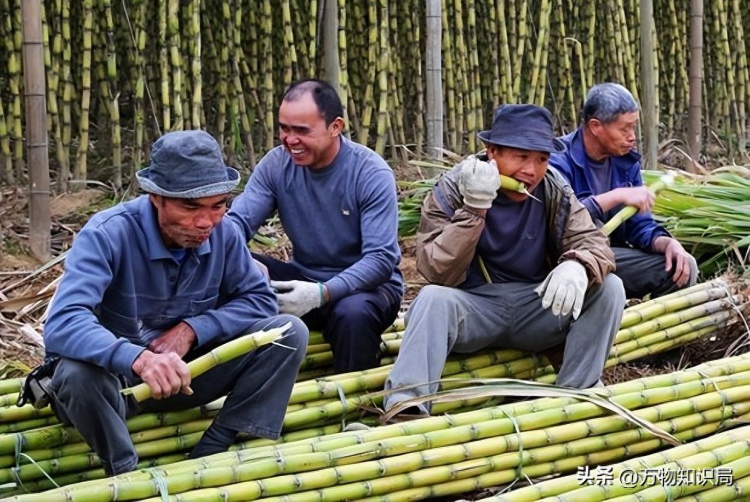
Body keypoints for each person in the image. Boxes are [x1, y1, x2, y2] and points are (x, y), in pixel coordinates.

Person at [43, 130, 309, 476]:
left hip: (189, 376)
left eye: (218, 206)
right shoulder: (108, 234)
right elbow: (63, 322)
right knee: (75, 374)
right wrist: (137, 358)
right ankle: (124, 472)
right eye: (190, 207)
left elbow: (259, 300)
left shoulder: (223, 232)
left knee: (288, 332)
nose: (205, 222)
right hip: (118, 389)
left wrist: (192, 330)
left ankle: (215, 447)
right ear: (156, 197)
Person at [383, 104, 625, 416]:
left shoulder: (553, 188)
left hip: (536, 305)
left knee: (610, 288)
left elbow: (593, 241)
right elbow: (435, 270)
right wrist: (474, 210)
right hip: (474, 308)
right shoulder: (452, 188)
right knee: (431, 300)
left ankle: (573, 396)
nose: (532, 170)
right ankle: (407, 407)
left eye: (541, 158)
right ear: (492, 151)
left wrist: (578, 263)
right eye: (521, 156)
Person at [229, 79, 403, 373]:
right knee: (227, 268)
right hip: (302, 279)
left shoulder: (370, 173)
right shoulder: (275, 165)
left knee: (353, 315)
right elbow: (235, 225)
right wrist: (239, 260)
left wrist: (321, 293)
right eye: (284, 128)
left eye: (301, 131)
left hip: (364, 290)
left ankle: (357, 403)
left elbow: (380, 259)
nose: (289, 140)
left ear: (335, 126)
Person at [550, 83, 698, 299]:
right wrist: (617, 196)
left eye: (634, 127)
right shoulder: (558, 160)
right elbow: (560, 219)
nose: (632, 136)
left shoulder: (627, 162)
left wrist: (667, 242)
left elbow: (640, 227)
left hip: (610, 256)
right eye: (624, 128)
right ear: (595, 126)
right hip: (568, 263)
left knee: (681, 265)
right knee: (606, 281)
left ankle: (649, 329)